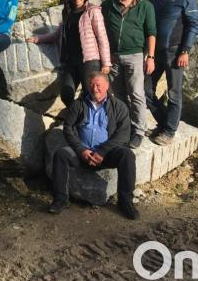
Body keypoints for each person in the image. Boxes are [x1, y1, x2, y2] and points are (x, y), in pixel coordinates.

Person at [46, 72, 139, 220]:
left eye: (99, 85)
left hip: (107, 155)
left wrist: (102, 151)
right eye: (92, 85)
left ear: (107, 86)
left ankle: (125, 201)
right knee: (61, 154)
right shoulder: (79, 104)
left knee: (127, 155)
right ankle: (60, 199)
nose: (95, 89)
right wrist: (81, 149)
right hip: (82, 153)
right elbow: (68, 128)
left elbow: (123, 135)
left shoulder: (119, 106)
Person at [27, 0, 111, 106]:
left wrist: (106, 63)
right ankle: (79, 117)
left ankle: (92, 123)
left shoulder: (92, 11)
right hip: (71, 60)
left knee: (91, 94)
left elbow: (102, 37)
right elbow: (57, 35)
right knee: (66, 94)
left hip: (89, 60)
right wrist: (38, 39)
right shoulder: (68, 13)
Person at [145, 0, 198, 145]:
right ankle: (164, 124)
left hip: (175, 53)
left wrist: (185, 50)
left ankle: (169, 131)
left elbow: (193, 25)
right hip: (156, 53)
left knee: (174, 94)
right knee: (145, 90)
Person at [101, 0, 156, 149]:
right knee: (118, 95)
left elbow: (151, 33)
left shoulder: (145, 6)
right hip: (114, 57)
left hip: (135, 56)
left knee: (137, 94)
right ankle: (124, 129)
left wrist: (151, 57)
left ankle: (139, 131)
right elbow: (100, 29)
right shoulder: (108, 5)